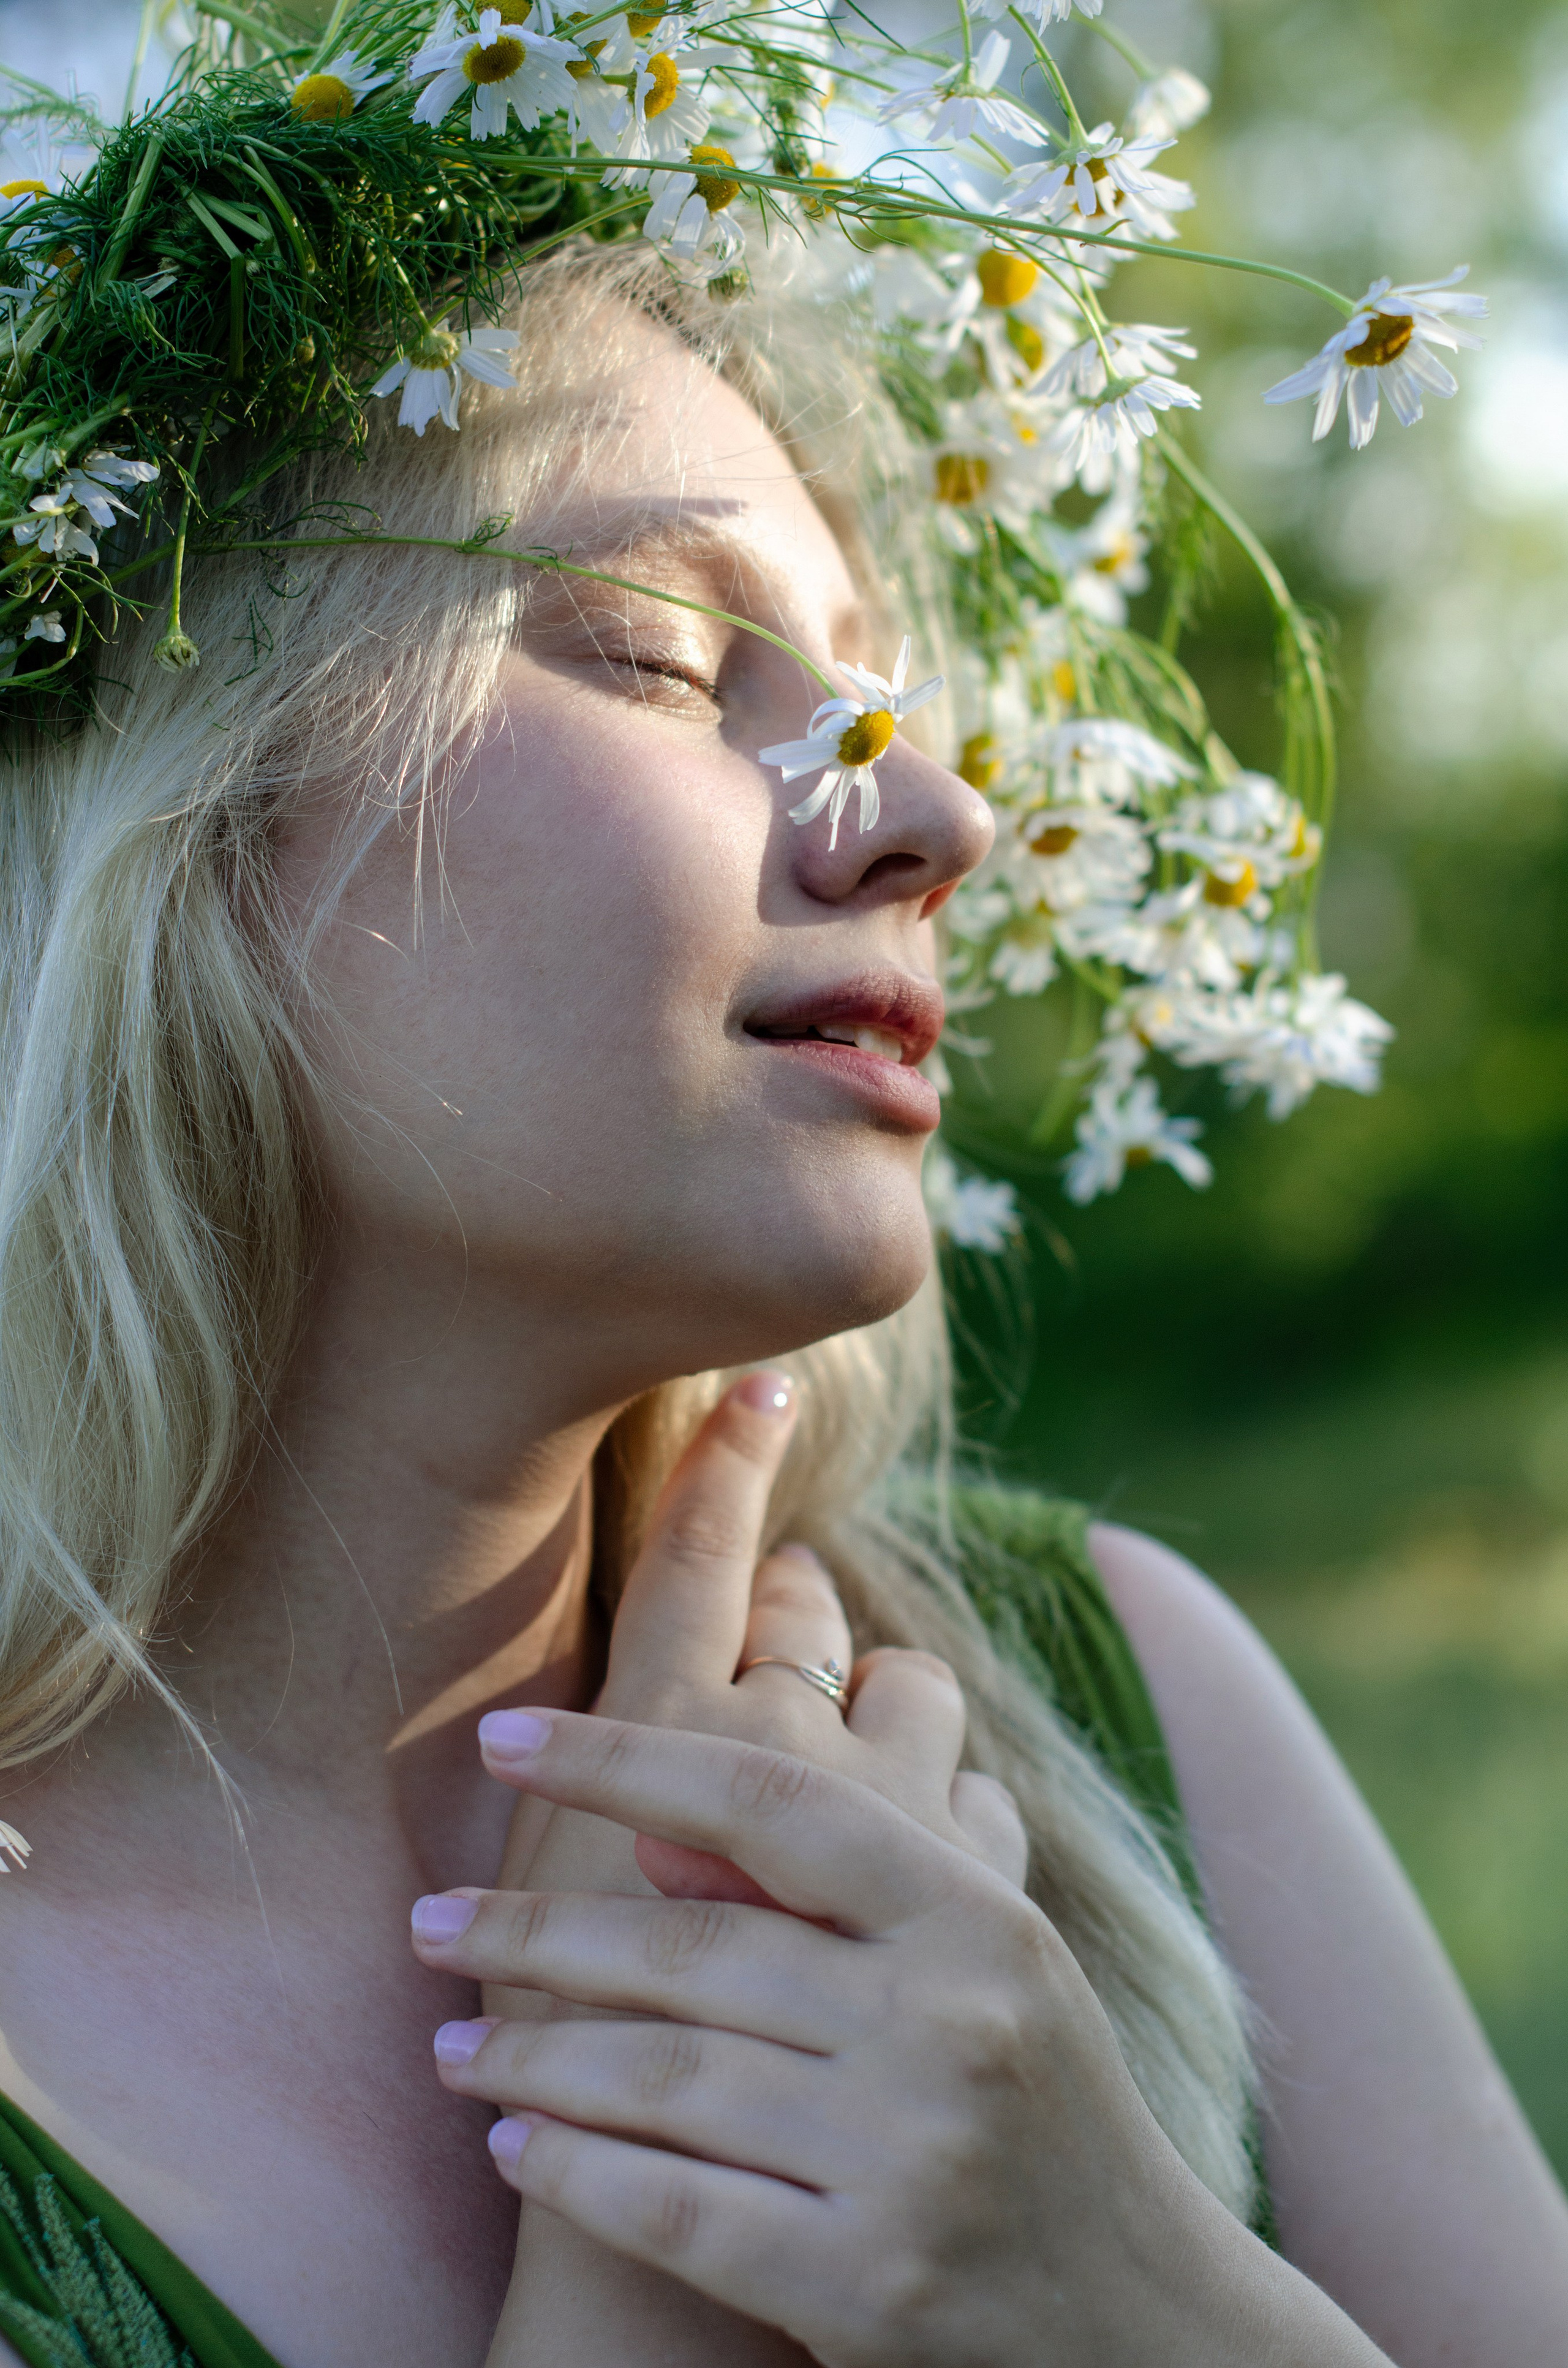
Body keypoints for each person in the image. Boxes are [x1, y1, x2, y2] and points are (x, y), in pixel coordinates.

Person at [0, 246, 1565, 2368]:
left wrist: (1132, 2291)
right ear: (161, 803)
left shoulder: (1115, 1699)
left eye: (873, 696)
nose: (935, 816)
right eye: (663, 654)